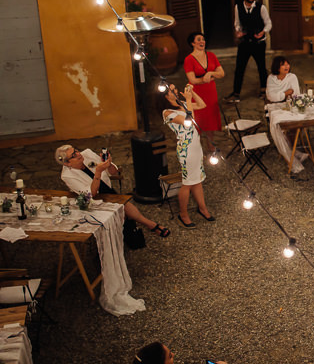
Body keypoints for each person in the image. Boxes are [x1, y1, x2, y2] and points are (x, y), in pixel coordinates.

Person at [56, 145, 169, 238]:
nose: (78, 154)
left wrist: (109, 164)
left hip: (106, 188)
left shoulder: (87, 153)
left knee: (124, 206)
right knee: (122, 212)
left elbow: (113, 172)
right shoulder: (67, 176)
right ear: (67, 163)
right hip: (93, 200)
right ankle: (145, 226)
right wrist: (98, 172)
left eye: (76, 150)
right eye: (73, 155)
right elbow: (92, 194)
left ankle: (148, 224)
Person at [160, 84, 214, 229]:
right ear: (165, 97)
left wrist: (192, 93)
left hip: (196, 146)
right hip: (186, 149)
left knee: (197, 179)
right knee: (188, 182)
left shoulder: (183, 104)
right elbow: (188, 122)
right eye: (172, 90)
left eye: (175, 88)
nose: (176, 91)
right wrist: (188, 101)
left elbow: (202, 105)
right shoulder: (167, 112)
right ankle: (183, 214)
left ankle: (202, 208)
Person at [225, 0, 270, 102]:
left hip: (259, 43)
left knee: (261, 68)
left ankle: (264, 90)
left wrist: (263, 32)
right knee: (239, 68)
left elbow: (268, 23)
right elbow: (237, 23)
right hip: (245, 43)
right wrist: (238, 31)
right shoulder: (238, 7)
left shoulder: (261, 7)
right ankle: (236, 94)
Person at [183, 32, 224, 132]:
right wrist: (204, 79)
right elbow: (192, 80)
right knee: (199, 118)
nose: (202, 41)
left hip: (210, 91)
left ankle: (211, 145)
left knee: (211, 118)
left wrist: (210, 73)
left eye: (203, 39)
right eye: (199, 39)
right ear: (192, 43)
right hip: (197, 92)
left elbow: (221, 73)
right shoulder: (189, 59)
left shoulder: (211, 55)